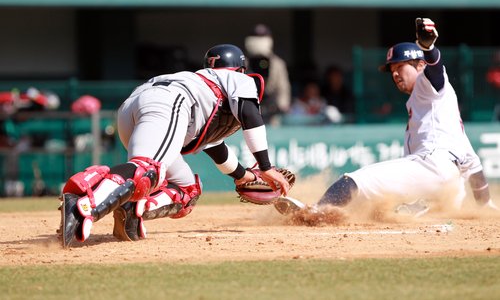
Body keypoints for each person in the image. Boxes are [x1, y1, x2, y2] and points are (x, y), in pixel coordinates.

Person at [59, 44, 290, 247]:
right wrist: (266, 166)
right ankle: (84, 203)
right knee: (146, 169)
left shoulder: (205, 87)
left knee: (186, 189)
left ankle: (132, 209)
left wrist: (243, 176)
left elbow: (217, 149)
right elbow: (250, 114)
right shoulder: (239, 79)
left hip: (135, 105)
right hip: (170, 101)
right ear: (240, 68)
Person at [274, 18, 498, 217]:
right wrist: (484, 204)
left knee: (353, 180)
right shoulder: (440, 110)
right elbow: (472, 162)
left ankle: (315, 212)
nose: (395, 73)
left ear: (420, 65)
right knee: (378, 209)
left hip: (433, 167)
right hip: (448, 187)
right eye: (392, 69)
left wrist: (428, 49)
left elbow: (436, 71)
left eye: (400, 66)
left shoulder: (427, 85)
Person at [244, 24, 292, 125]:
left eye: (262, 38)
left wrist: (282, 106)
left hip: (271, 109)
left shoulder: (278, 64)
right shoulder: (243, 62)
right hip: (247, 109)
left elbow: (283, 88)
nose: (259, 42)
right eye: (256, 38)